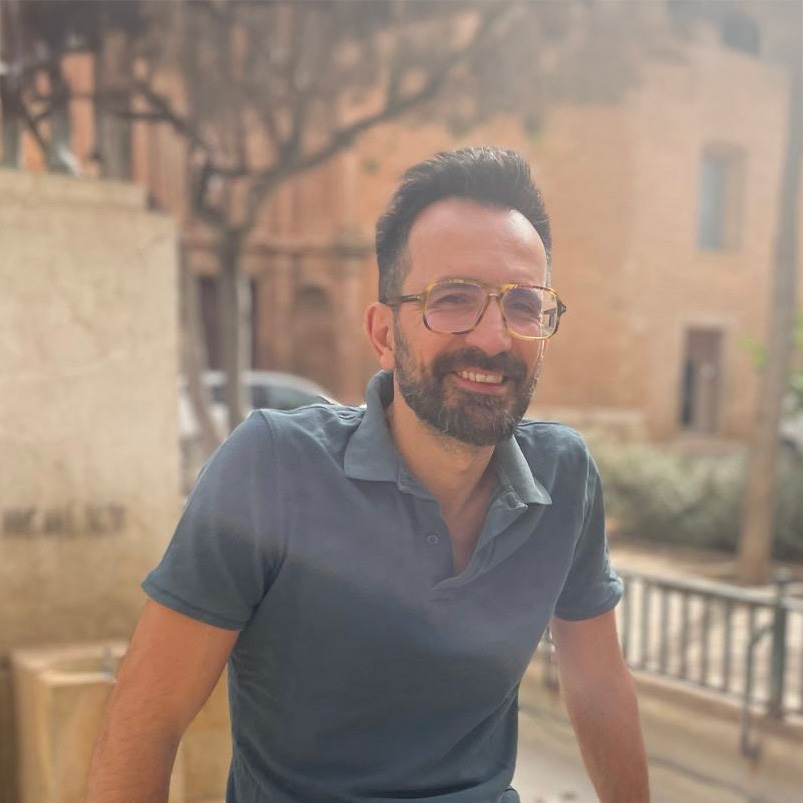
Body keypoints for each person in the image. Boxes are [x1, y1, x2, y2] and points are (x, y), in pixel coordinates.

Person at [88, 147, 650, 803]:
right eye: (454, 299)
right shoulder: (273, 467)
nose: (495, 338)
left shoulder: (564, 476)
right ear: (384, 334)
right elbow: (146, 721)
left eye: (524, 305)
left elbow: (598, 685)